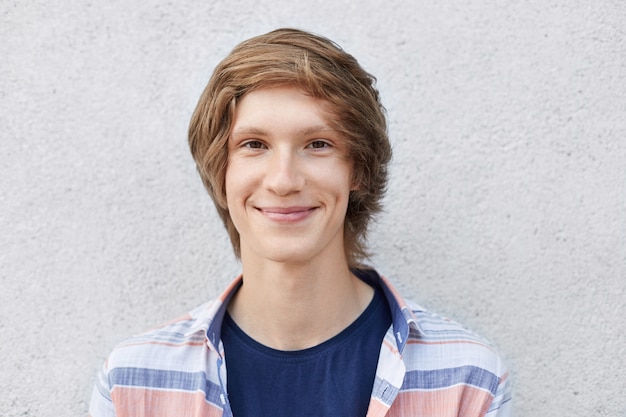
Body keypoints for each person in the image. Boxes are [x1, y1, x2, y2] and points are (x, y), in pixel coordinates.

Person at [89, 28, 512, 417]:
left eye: (318, 144)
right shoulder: (133, 384)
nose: (284, 180)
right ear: (221, 171)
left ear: (357, 171)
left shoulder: (466, 378)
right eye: (254, 144)